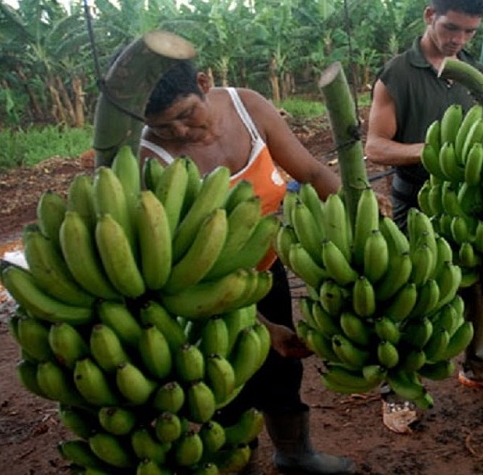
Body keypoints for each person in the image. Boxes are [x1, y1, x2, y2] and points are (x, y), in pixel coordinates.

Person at [139, 59, 354, 474]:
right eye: (165, 127)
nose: (180, 132)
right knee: (226, 384)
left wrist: (359, 211)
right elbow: (182, 263)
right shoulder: (151, 157)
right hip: (201, 291)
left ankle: (295, 452)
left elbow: (309, 171)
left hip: (264, 270)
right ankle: (239, 458)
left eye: (186, 115)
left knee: (282, 368)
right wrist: (260, 326)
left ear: (204, 82)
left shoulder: (247, 107)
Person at [365, 0, 483, 434]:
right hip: (416, 204)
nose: (458, 40)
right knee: (408, 296)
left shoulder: (481, 78)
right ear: (429, 16)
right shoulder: (396, 74)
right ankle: (397, 390)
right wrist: (436, 151)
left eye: (469, 32)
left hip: (470, 207)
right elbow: (376, 148)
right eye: (451, 28)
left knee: (478, 290)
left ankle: (480, 368)